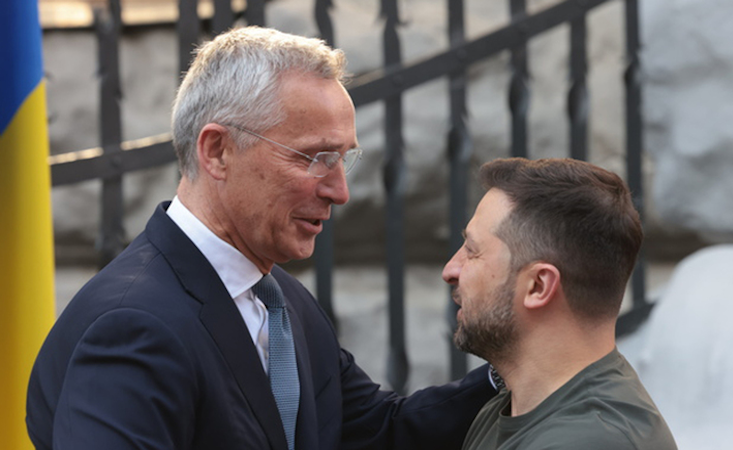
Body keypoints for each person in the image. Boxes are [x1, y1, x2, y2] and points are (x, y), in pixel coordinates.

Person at [26, 27, 496, 450]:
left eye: (342, 159)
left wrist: (528, 365)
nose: (340, 191)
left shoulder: (280, 300)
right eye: (314, 157)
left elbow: (380, 431)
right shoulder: (133, 325)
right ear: (218, 151)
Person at [442, 158, 677, 450]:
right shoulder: (508, 408)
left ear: (538, 286)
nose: (451, 270)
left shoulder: (593, 439)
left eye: (472, 251)